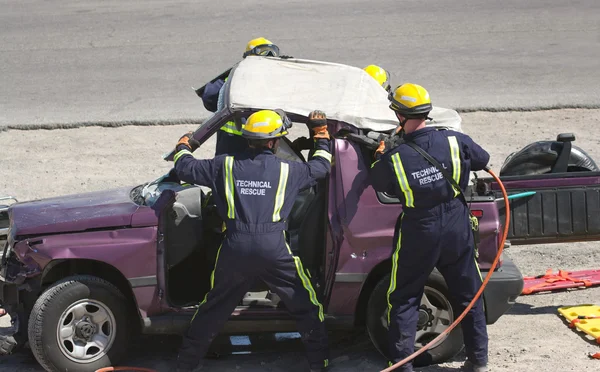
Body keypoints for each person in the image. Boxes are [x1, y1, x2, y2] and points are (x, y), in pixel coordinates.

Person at [171, 109, 333, 372]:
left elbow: (184, 166)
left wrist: (183, 145)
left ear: (248, 139)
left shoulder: (223, 165)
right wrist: (320, 134)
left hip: (236, 247)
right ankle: (319, 364)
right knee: (306, 304)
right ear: (273, 142)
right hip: (274, 248)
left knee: (214, 308)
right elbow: (322, 167)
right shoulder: (288, 170)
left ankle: (186, 364)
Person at [370, 83, 490, 372]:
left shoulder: (395, 158)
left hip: (419, 229)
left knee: (404, 297)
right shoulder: (453, 140)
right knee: (468, 293)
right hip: (456, 225)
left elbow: (378, 182)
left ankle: (401, 365)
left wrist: (380, 154)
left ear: (399, 116)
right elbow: (483, 159)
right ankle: (479, 361)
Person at [201, 37, 282, 156]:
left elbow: (209, 98)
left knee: (228, 172)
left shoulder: (233, 78)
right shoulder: (274, 82)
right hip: (258, 142)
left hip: (231, 143)